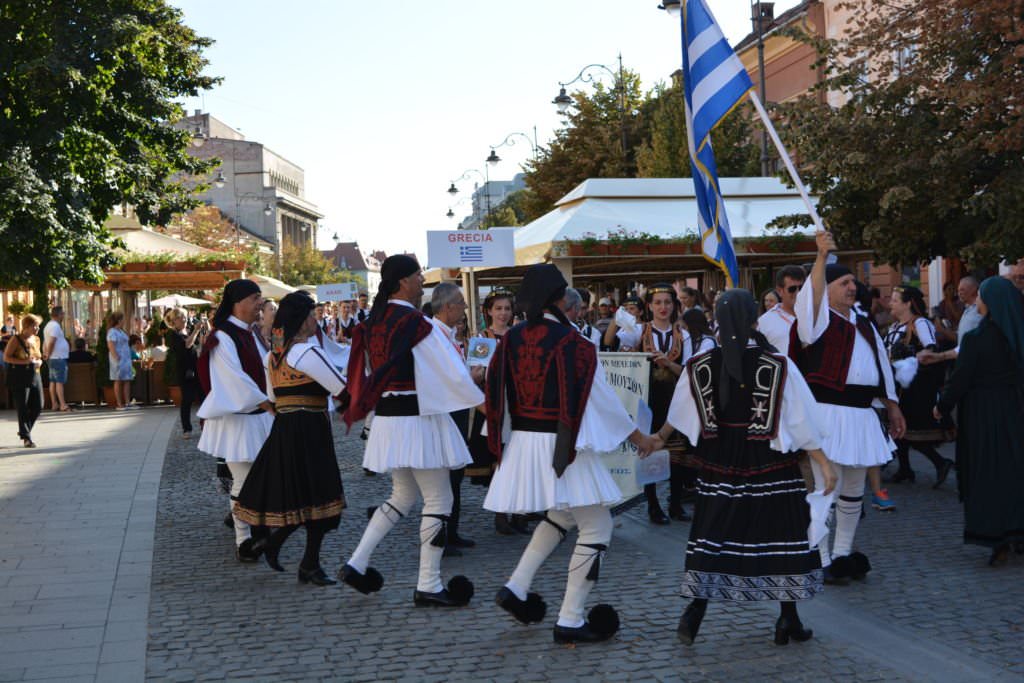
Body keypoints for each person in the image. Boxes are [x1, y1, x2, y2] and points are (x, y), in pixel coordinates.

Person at [486, 264, 658, 644]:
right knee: (598, 525)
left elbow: (496, 395)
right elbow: (600, 399)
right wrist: (639, 437)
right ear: (557, 298)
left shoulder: (510, 339)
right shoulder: (574, 343)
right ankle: (571, 618)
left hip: (526, 442)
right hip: (563, 445)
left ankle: (516, 586)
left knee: (561, 515)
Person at [656, 288, 835, 646]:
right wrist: (824, 465)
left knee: (714, 533)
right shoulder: (778, 364)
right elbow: (800, 419)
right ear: (755, 320)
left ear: (718, 322)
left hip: (720, 464)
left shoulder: (699, 365)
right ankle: (787, 618)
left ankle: (696, 609)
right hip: (771, 463)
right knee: (782, 535)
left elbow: (680, 412)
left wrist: (656, 439)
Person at [339, 255, 483, 607]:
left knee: (402, 495)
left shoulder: (372, 321)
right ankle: (429, 584)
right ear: (403, 281)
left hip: (389, 417)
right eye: (418, 276)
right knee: (439, 499)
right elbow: (450, 371)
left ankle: (357, 563)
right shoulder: (418, 323)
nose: (423, 281)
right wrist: (478, 391)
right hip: (417, 417)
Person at [789, 231, 906, 584]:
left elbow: (883, 367)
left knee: (855, 488)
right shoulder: (817, 319)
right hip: (828, 413)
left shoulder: (864, 322)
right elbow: (807, 301)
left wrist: (893, 405)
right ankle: (820, 556)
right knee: (828, 486)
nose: (853, 287)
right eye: (844, 282)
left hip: (862, 414)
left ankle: (843, 553)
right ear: (827, 287)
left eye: (854, 282)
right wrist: (821, 258)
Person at [234, 291, 347, 586]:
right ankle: (305, 562)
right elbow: (340, 388)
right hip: (310, 429)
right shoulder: (308, 353)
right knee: (319, 495)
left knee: (302, 497)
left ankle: (292, 553)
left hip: (285, 427)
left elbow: (272, 396)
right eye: (311, 314)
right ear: (300, 319)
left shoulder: (273, 356)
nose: (315, 319)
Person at [936, 276, 1024, 566]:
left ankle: (994, 535)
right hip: (1014, 411)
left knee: (987, 472)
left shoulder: (978, 339)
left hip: (982, 415)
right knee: (1014, 471)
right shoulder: (1017, 336)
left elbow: (961, 378)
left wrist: (943, 406)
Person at [196, 279, 276, 563]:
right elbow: (231, 377)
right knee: (243, 478)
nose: (260, 304)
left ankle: (258, 527)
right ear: (238, 302)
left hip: (259, 415)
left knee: (261, 477)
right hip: (238, 418)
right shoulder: (223, 336)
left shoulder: (251, 332)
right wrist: (265, 400)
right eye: (256, 298)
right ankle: (243, 539)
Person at [613, 284, 691, 524]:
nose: (663, 307)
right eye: (658, 302)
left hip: (674, 399)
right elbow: (616, 347)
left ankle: (676, 503)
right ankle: (653, 505)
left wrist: (668, 363)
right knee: (648, 452)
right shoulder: (639, 331)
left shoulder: (683, 335)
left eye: (667, 302)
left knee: (677, 455)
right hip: (648, 400)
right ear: (649, 306)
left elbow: (688, 372)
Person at [464, 288, 527, 536]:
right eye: (498, 308)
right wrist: (479, 375)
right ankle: (501, 514)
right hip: (494, 404)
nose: (503, 313)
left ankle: (521, 512)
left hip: (518, 404)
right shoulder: (483, 339)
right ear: (489, 311)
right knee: (498, 461)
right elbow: (474, 375)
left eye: (507, 309)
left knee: (520, 458)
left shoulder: (519, 336)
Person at [429, 283, 484, 556]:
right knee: (446, 477)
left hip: (457, 410)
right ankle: (442, 535)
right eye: (461, 303)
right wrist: (470, 378)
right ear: (448, 307)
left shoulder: (447, 334)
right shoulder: (434, 335)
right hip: (446, 411)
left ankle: (452, 531)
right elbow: (446, 377)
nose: (464, 309)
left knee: (456, 473)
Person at [884, 286, 954, 487]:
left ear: (907, 304)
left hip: (916, 387)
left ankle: (940, 463)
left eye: (895, 300)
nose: (891, 303)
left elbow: (930, 351)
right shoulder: (895, 326)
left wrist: (908, 361)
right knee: (898, 428)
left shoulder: (920, 324)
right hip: (899, 385)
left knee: (910, 430)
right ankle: (905, 468)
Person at [4, 314, 44, 447]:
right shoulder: (16, 339)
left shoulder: (37, 339)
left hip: (35, 375)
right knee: (22, 407)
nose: (37, 328)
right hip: (19, 376)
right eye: (35, 326)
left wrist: (40, 361)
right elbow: (7, 358)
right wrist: (25, 361)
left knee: (39, 405)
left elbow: (38, 356)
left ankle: (24, 432)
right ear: (26, 326)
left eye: (38, 326)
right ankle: (27, 437)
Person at [165, 308, 204, 439]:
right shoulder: (173, 334)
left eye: (185, 316)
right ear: (175, 320)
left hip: (196, 367)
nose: (185, 319)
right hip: (184, 370)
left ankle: (206, 426)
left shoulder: (187, 331)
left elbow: (196, 345)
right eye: (182, 317)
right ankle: (186, 429)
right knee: (187, 399)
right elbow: (187, 345)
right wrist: (196, 330)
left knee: (203, 397)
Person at [757, 265, 805, 356]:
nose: (798, 293)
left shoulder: (813, 316)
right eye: (792, 289)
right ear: (779, 291)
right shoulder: (765, 322)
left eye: (801, 288)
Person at [42, 306, 71, 412]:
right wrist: (48, 354)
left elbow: (45, 342)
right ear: (59, 315)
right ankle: (63, 404)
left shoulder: (48, 325)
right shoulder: (55, 326)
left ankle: (54, 404)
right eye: (63, 313)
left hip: (53, 357)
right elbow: (52, 342)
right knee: (59, 381)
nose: (63, 315)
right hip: (58, 357)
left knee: (53, 381)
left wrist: (46, 354)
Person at [106, 312, 133, 411]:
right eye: (123, 319)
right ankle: (119, 404)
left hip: (126, 359)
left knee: (127, 380)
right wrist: (115, 356)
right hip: (118, 359)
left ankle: (127, 402)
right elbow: (111, 345)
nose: (124, 321)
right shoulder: (112, 332)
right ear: (119, 320)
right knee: (118, 380)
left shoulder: (121, 331)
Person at [956, 276, 983, 344]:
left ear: (973, 289)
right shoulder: (967, 309)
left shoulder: (980, 309)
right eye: (958, 290)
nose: (959, 293)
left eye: (962, 290)